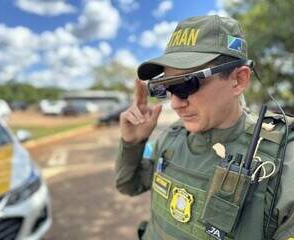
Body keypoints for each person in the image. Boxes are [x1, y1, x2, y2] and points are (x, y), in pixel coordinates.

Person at [115, 15, 294, 240]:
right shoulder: (172, 137)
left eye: (186, 84)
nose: (174, 103)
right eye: (165, 87)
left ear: (238, 80)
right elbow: (128, 186)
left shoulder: (284, 163)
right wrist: (132, 143)